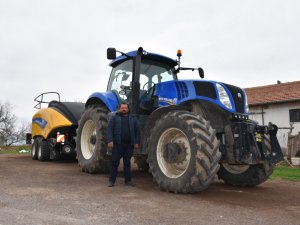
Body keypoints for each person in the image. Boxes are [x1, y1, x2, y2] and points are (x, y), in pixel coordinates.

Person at [106, 103, 140, 187]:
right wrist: (110, 140)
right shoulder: (114, 118)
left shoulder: (133, 119)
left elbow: (137, 131)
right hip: (118, 144)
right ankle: (111, 181)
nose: (124, 109)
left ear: (128, 109)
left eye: (125, 108)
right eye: (122, 108)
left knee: (127, 163)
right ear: (119, 109)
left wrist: (137, 142)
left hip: (129, 145)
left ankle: (128, 181)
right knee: (114, 162)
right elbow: (109, 130)